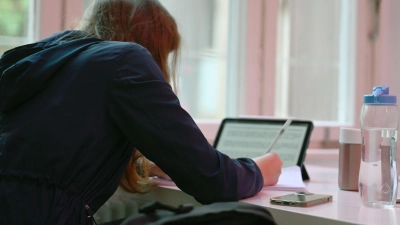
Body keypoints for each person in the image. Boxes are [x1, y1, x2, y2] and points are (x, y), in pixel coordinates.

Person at [0, 0, 283, 224]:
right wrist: (259, 169)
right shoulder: (125, 59)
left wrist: (147, 163)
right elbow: (213, 181)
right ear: (153, 45)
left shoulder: (45, 60)